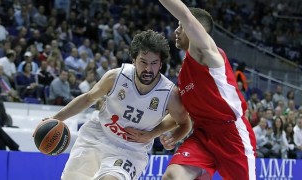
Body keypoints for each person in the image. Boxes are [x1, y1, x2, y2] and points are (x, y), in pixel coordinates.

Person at [34, 30, 191, 180]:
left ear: (161, 64)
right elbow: (88, 98)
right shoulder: (116, 77)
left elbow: (184, 123)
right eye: (143, 62)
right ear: (134, 61)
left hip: (130, 150)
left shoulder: (169, 94)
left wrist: (155, 134)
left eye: (154, 63)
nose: (148, 69)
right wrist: (54, 119)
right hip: (97, 135)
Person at [157, 1, 256, 179]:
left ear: (197, 29)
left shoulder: (208, 54)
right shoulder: (184, 72)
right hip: (202, 135)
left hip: (231, 135)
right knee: (172, 177)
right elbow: (181, 113)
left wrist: (185, 19)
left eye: (180, 26)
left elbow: (186, 16)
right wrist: (153, 131)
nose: (176, 32)